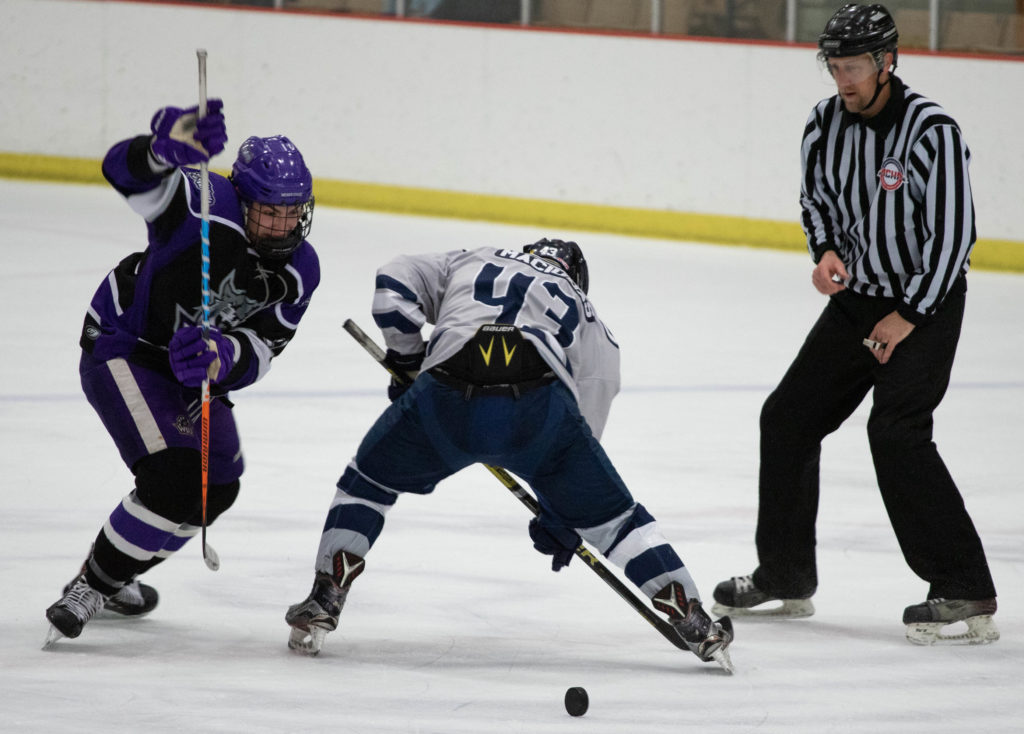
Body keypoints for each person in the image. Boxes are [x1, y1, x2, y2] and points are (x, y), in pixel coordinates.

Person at [284, 239, 733, 668]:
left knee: (368, 484)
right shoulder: (592, 319)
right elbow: (584, 435)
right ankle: (696, 621)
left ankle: (326, 596)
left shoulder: (472, 259)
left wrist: (408, 359)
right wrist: (562, 515)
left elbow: (391, 289)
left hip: (445, 395)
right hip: (538, 411)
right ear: (578, 277)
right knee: (617, 523)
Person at [712, 4, 998, 645]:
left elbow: (956, 240)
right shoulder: (823, 123)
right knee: (787, 418)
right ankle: (784, 573)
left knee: (896, 432)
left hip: (927, 301)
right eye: (835, 67)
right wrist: (826, 251)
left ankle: (963, 585)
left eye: (855, 67)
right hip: (859, 302)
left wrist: (909, 316)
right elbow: (815, 199)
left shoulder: (932, 133)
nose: (844, 79)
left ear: (887, 62)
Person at [44, 98, 320, 643]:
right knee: (171, 480)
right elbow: (122, 173)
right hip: (124, 345)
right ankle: (90, 584)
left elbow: (265, 345)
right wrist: (159, 151)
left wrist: (224, 357)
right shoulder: (202, 201)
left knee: (216, 489)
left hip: (190, 371)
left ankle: (115, 574)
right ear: (242, 200)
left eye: (292, 212)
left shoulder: (301, 269)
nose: (281, 225)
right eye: (269, 211)